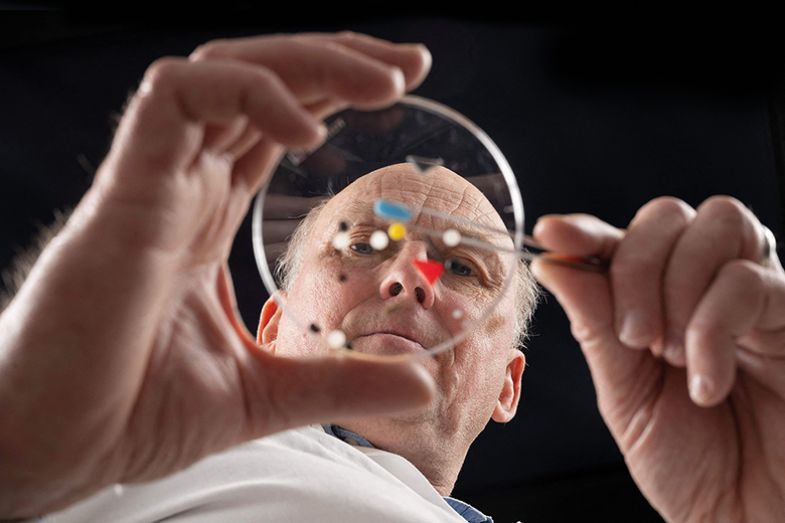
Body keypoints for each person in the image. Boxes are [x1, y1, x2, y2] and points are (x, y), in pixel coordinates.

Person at [0, 31, 783, 522]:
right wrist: (21, 435)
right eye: (365, 244)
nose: (411, 278)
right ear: (270, 325)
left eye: (466, 267)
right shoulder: (128, 457)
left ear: (507, 384)